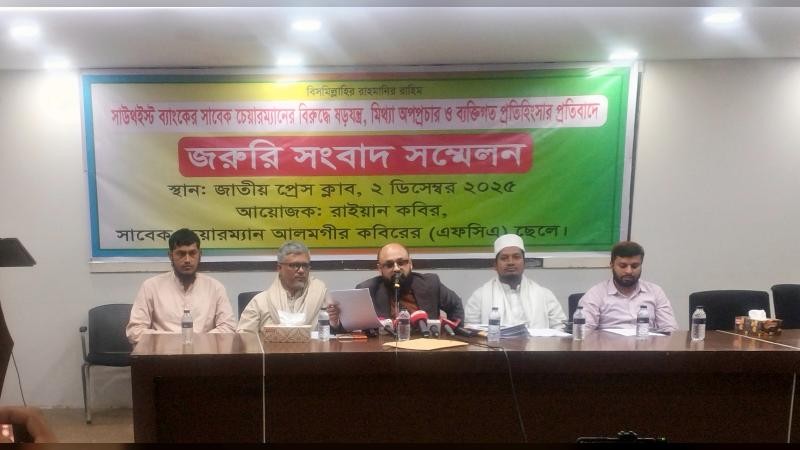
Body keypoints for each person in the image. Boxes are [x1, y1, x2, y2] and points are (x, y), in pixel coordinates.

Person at [126, 228, 236, 345]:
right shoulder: (151, 287)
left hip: (204, 352)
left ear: (200, 254)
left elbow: (228, 327)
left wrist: (197, 340)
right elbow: (135, 331)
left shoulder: (215, 288)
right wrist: (178, 340)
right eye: (181, 254)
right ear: (170, 256)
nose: (187, 260)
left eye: (192, 253)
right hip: (163, 353)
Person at [351, 242, 464, 330]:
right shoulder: (367, 290)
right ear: (380, 269)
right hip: (383, 349)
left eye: (401, 263)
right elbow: (351, 324)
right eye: (389, 265)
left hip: (425, 347)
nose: (396, 268)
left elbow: (455, 306)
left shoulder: (430, 283)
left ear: (410, 264)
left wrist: (451, 334)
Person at [465, 234, 565, 329]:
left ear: (524, 263)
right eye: (504, 258)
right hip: (495, 342)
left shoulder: (545, 295)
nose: (510, 262)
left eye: (516, 257)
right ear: (495, 265)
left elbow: (560, 328)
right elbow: (470, 331)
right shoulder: (479, 297)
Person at [578, 240, 678, 332]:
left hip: (646, 343)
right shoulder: (596, 294)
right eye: (623, 266)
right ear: (611, 265)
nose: (629, 271)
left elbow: (670, 329)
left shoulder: (655, 292)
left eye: (634, 266)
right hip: (609, 345)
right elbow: (584, 331)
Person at [237, 241, 330, 333]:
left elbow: (334, 331)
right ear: (279, 268)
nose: (301, 270)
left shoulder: (321, 295)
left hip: (314, 343)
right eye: (295, 265)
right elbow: (244, 336)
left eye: (305, 265)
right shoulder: (260, 302)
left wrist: (335, 323)